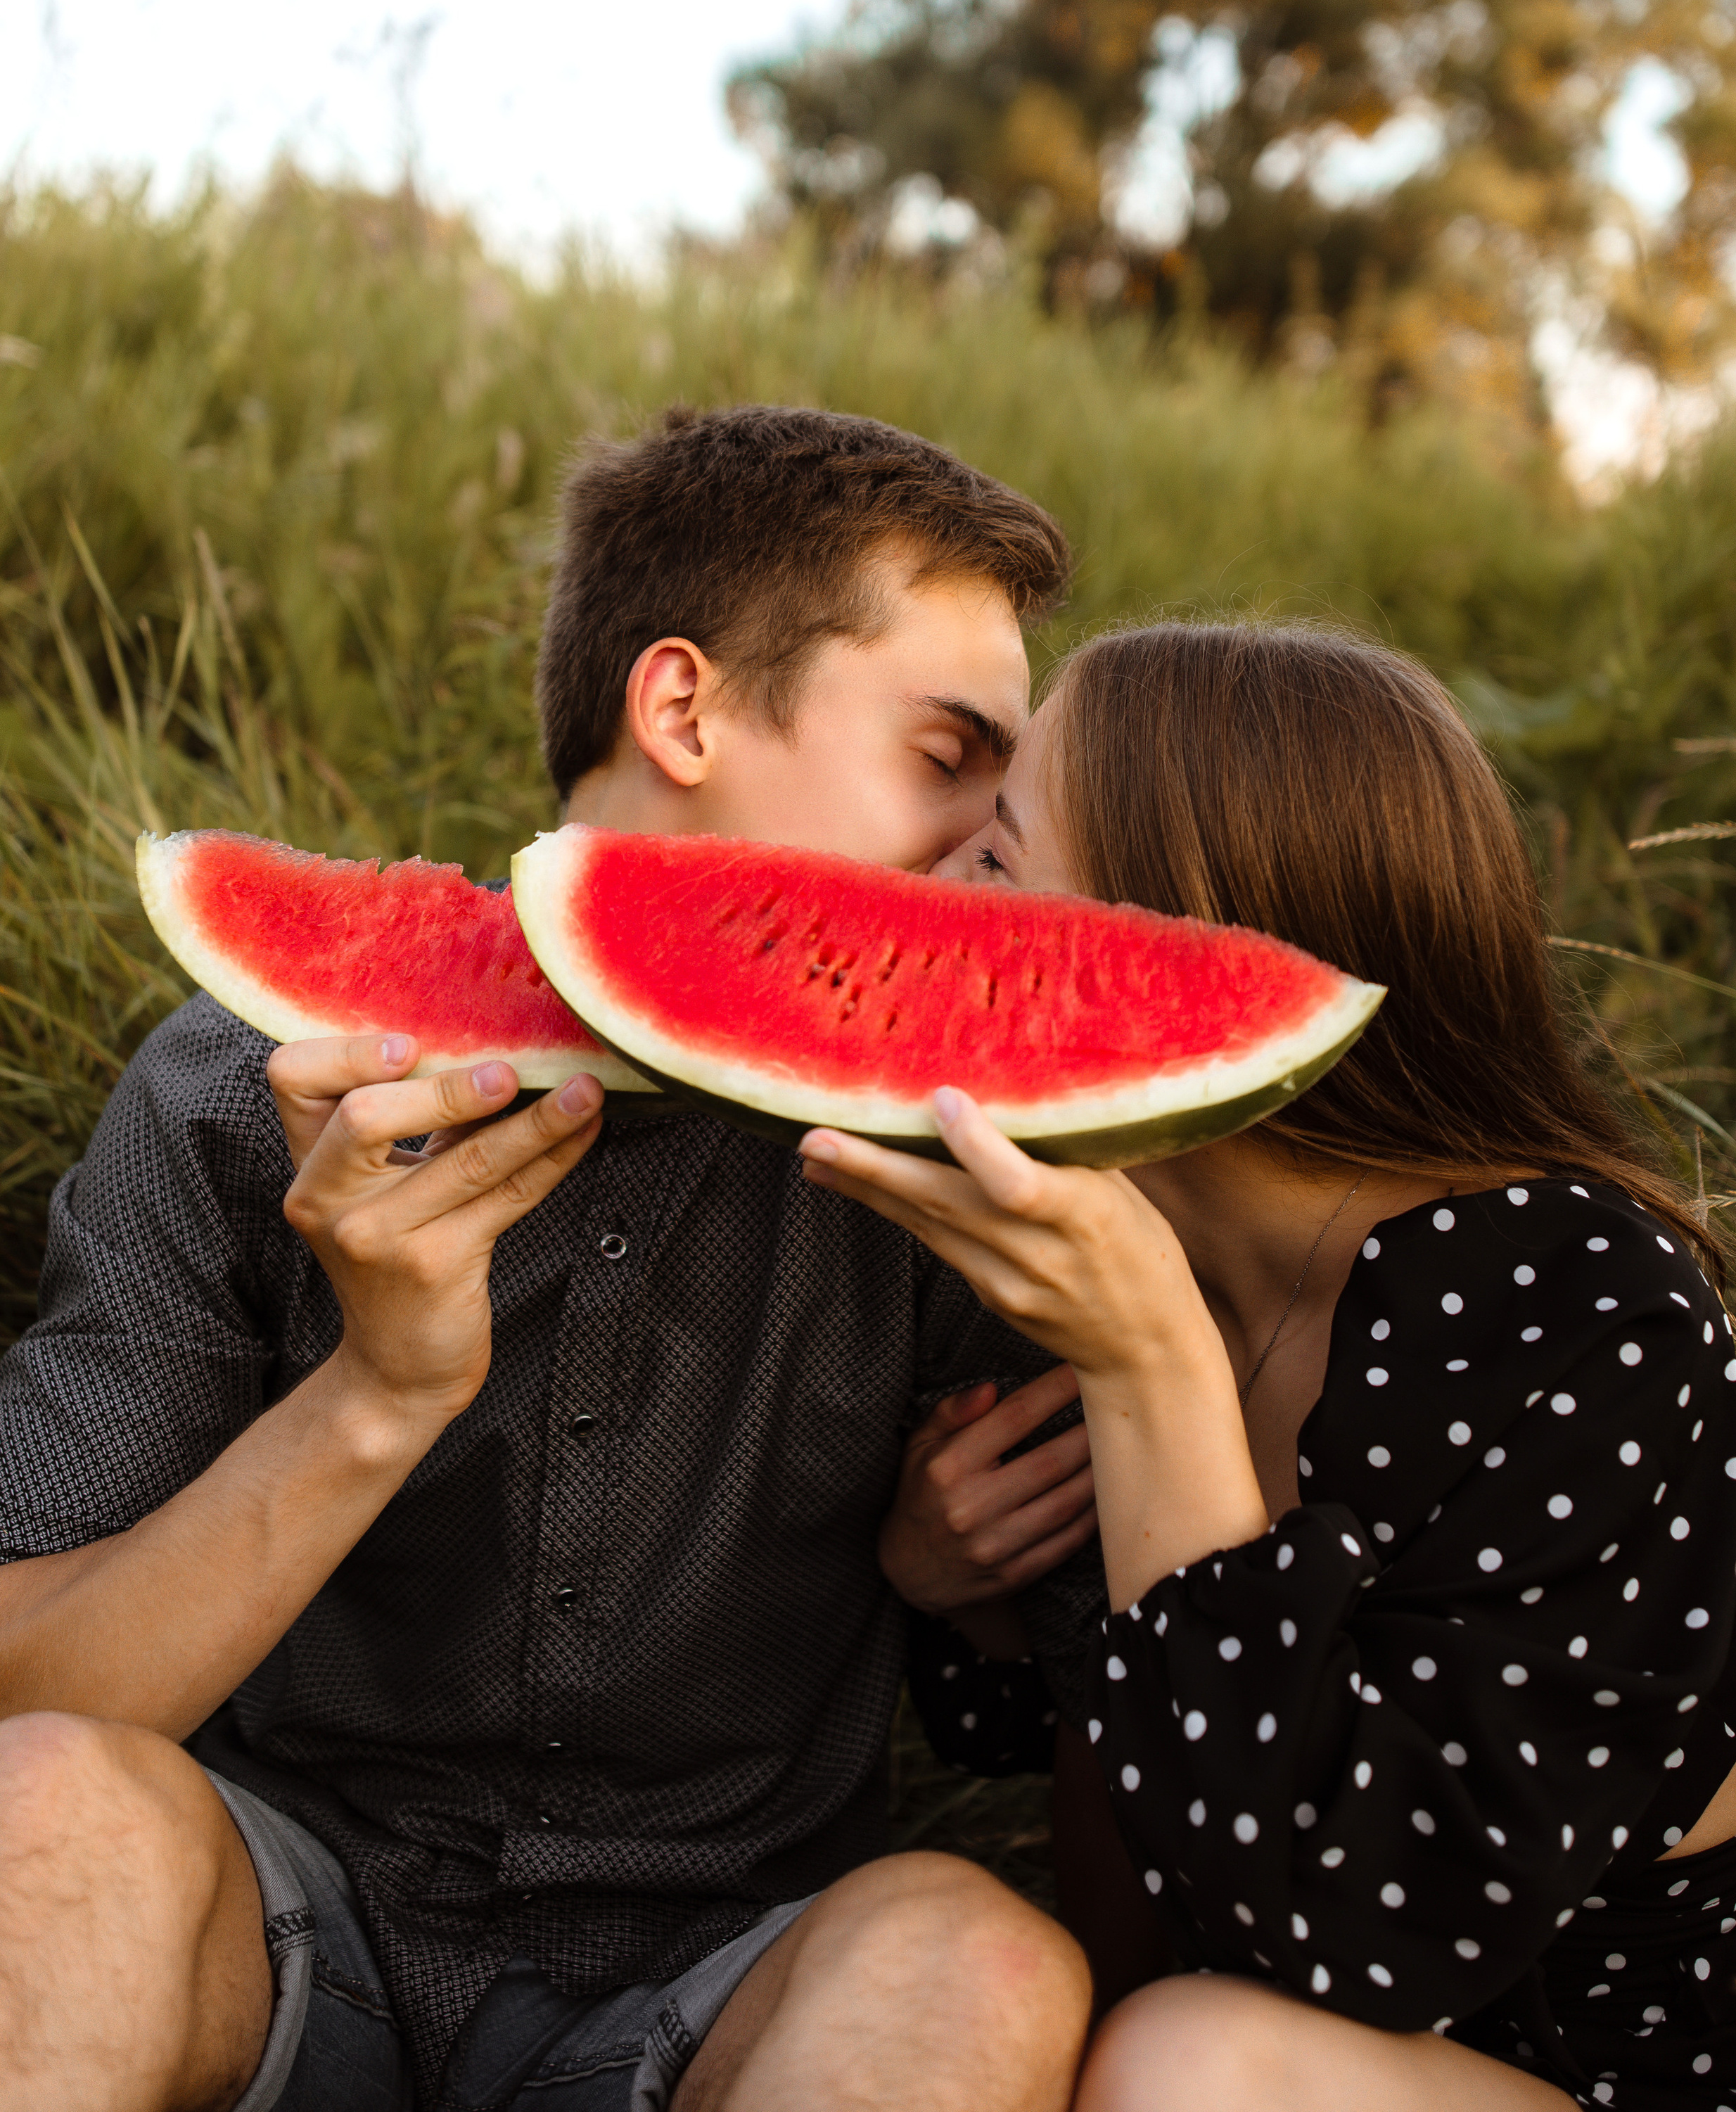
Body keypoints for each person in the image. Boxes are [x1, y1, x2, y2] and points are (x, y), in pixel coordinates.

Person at [0, 406, 1100, 2112]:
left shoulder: (964, 1166)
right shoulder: (240, 1091)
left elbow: (1133, 1712)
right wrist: (373, 1396)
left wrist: (959, 1579)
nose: (984, 852)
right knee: (47, 1815)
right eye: (944, 752)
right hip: (277, 1935)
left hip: (712, 1994)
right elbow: (23, 1697)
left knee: (973, 1953)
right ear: (682, 707)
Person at [803, 618, 1736, 2111]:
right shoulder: (1118, 1238)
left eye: (999, 858)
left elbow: (1352, 1939)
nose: (923, 894)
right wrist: (962, 1592)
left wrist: (1152, 1374)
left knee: (1190, 2065)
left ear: (1171, 944)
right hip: (1232, 2030)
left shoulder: (1578, 1305)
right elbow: (1094, 1750)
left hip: (1601, 2082)